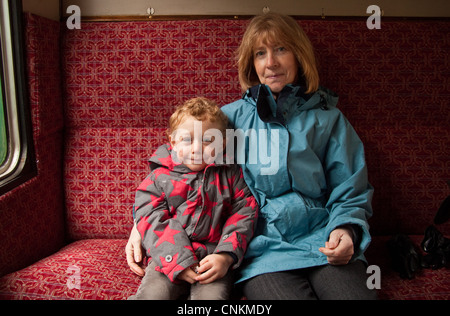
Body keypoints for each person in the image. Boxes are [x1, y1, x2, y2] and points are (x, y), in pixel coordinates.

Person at [126, 13, 377, 300]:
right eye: (260, 53)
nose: (271, 62)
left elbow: (351, 187)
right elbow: (182, 166)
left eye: (281, 49)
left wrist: (346, 228)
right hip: (261, 248)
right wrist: (139, 227)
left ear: (300, 56)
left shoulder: (329, 120)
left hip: (323, 238)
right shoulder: (228, 120)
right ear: (252, 63)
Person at [128, 97, 258, 300]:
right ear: (172, 142)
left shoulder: (232, 175)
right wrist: (176, 259)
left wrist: (225, 256)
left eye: (207, 140)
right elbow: (150, 217)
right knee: (153, 296)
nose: (197, 149)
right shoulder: (159, 177)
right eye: (187, 140)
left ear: (222, 143)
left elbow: (244, 214)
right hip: (167, 256)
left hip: (212, 259)